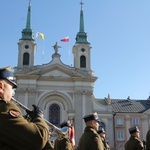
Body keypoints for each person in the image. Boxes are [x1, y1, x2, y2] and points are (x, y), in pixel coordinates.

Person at [0, 66, 50, 150]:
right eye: (12, 88)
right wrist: (39, 118)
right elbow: (38, 139)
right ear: (1, 86)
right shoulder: (4, 108)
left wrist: (25, 120)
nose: (13, 94)